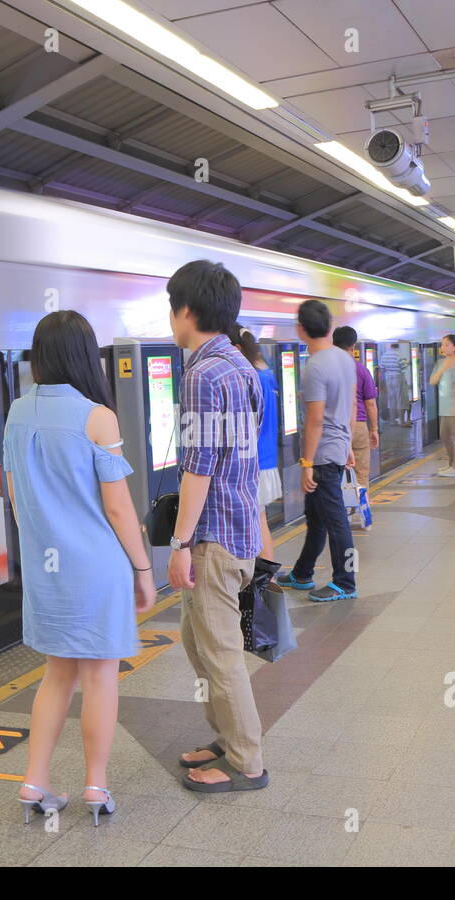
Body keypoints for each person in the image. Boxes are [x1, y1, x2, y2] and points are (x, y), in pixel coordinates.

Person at [3, 310, 156, 825]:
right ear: (86, 357)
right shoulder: (98, 417)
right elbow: (118, 508)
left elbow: (12, 494)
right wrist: (143, 569)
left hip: (47, 569)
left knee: (54, 675)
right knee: (100, 677)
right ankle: (95, 785)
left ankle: (34, 781)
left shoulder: (17, 412)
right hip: (96, 566)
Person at [166, 261, 270, 793]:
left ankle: (246, 762)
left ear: (187, 310)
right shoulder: (241, 366)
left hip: (213, 538)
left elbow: (199, 465)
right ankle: (227, 737)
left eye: (171, 307)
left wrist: (181, 543)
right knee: (197, 642)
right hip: (237, 529)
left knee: (220, 653)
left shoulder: (204, 375)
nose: (170, 318)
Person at [277, 299, 358, 601]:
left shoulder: (315, 366)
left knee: (336, 521)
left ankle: (346, 582)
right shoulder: (344, 358)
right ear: (330, 325)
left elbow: (314, 420)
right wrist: (348, 442)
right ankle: (302, 573)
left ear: (301, 329)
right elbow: (350, 404)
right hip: (338, 446)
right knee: (317, 517)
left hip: (322, 454)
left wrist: (306, 462)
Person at [235, 326, 281, 559]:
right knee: (260, 521)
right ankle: (266, 583)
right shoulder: (266, 374)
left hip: (254, 463)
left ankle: (265, 582)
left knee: (257, 523)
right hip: (266, 459)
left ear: (237, 349)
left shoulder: (250, 378)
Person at [333, 325, 378, 526]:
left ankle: (338, 517)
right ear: (353, 346)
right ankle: (363, 515)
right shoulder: (360, 369)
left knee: (334, 474)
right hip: (359, 425)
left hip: (333, 427)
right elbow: (370, 402)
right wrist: (375, 428)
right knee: (361, 474)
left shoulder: (326, 368)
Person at [430, 334, 455, 477]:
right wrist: (442, 369)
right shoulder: (440, 363)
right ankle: (452, 464)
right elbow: (432, 381)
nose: (443, 347)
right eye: (442, 344)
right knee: (445, 436)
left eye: (446, 344)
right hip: (444, 406)